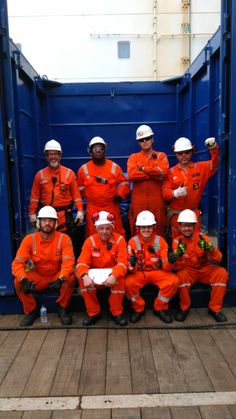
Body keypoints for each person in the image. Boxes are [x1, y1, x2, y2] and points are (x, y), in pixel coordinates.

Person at [12, 206, 75, 327]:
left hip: (57, 275)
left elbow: (68, 263)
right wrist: (24, 280)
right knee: (17, 282)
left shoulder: (64, 239)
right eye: (44, 220)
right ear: (38, 222)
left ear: (55, 223)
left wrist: (61, 278)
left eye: (51, 220)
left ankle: (62, 308)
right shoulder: (29, 240)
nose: (47, 223)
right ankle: (31, 310)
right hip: (38, 276)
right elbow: (17, 264)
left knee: (70, 278)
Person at [168, 209, 228, 322]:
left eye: (190, 225)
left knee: (221, 273)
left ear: (194, 226)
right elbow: (178, 267)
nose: (187, 229)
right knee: (180, 276)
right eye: (184, 226)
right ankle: (184, 308)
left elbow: (218, 258)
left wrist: (210, 249)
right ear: (180, 226)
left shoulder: (202, 238)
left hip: (204, 269)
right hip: (189, 271)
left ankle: (215, 309)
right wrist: (177, 255)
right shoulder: (177, 241)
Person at [125, 210, 179, 324]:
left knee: (173, 280)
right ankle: (138, 308)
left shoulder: (160, 241)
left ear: (153, 227)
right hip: (139, 273)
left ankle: (160, 308)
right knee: (127, 283)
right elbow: (130, 269)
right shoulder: (132, 242)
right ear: (138, 228)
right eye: (143, 227)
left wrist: (170, 261)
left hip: (157, 272)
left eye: (149, 227)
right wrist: (132, 264)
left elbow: (166, 267)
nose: (146, 230)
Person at [76, 210, 128, 326]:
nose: (104, 232)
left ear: (112, 228)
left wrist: (114, 275)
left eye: (107, 228)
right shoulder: (90, 241)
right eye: (101, 228)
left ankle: (116, 313)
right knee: (82, 280)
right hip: (96, 276)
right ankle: (93, 313)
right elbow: (81, 263)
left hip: (112, 276)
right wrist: (84, 276)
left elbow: (123, 263)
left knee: (120, 279)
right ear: (96, 229)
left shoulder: (119, 240)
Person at [162, 136, 219, 239]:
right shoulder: (170, 172)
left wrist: (213, 148)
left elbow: (215, 165)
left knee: (195, 243)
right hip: (176, 217)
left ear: (192, 151)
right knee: (178, 246)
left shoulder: (201, 168)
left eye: (187, 152)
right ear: (176, 154)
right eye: (180, 153)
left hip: (193, 216)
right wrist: (174, 193)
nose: (184, 155)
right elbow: (165, 193)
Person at [77, 136, 130, 237]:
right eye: (95, 148)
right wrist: (91, 196)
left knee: (116, 233)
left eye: (100, 148)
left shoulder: (114, 167)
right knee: (93, 235)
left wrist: (120, 195)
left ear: (104, 150)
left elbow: (124, 183)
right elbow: (78, 190)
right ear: (90, 151)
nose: (98, 150)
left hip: (111, 207)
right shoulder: (83, 170)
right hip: (93, 208)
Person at [29, 139, 84, 231]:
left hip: (65, 216)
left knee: (66, 241)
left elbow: (76, 196)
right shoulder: (40, 175)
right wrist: (32, 214)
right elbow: (34, 197)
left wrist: (80, 211)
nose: (53, 157)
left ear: (60, 156)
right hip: (46, 217)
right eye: (50, 154)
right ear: (46, 156)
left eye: (56, 154)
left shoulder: (69, 174)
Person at [127, 125, 169, 237]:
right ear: (138, 142)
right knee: (138, 230)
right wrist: (153, 174)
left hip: (157, 203)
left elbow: (163, 172)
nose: (145, 141)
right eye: (141, 140)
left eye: (147, 138)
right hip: (138, 203)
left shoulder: (161, 156)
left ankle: (159, 253)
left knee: (158, 229)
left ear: (152, 139)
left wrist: (144, 169)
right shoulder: (133, 157)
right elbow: (132, 175)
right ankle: (136, 253)